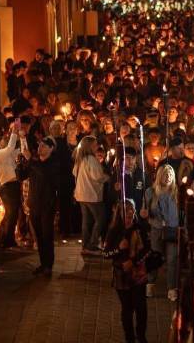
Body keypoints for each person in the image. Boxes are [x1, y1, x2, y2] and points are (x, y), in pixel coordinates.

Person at [107, 199, 150, 343]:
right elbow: (106, 254)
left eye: (131, 216)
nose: (128, 219)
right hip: (122, 277)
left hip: (138, 274)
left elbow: (147, 250)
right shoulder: (114, 231)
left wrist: (134, 261)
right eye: (126, 216)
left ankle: (141, 336)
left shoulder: (140, 228)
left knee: (141, 308)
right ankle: (129, 338)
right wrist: (119, 248)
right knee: (127, 309)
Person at [19, 136, 61, 276]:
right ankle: (43, 264)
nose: (40, 148)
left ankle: (48, 265)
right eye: (40, 145)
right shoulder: (35, 163)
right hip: (34, 203)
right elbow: (21, 176)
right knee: (38, 235)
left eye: (43, 146)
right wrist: (22, 163)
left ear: (51, 149)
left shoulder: (53, 163)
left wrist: (30, 160)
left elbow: (43, 173)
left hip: (47, 205)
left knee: (47, 235)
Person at [141, 164, 180, 301]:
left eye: (170, 174)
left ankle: (171, 288)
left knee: (172, 259)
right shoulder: (150, 192)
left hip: (172, 230)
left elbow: (183, 213)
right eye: (165, 174)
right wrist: (144, 214)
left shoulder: (177, 193)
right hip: (157, 229)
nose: (168, 177)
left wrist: (184, 228)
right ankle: (150, 284)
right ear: (159, 176)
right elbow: (144, 210)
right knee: (155, 258)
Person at [73, 135, 110, 254]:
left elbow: (74, 173)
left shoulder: (80, 159)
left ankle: (85, 245)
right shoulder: (91, 159)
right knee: (101, 218)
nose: (97, 146)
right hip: (91, 195)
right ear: (89, 146)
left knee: (86, 220)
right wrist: (107, 177)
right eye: (95, 145)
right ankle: (92, 244)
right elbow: (98, 176)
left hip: (81, 194)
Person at [0, 127, 21, 248]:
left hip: (14, 185)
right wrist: (14, 133)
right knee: (11, 214)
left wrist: (21, 137)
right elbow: (10, 148)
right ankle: (6, 239)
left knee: (13, 214)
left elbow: (18, 151)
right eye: (1, 139)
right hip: (7, 187)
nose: (4, 139)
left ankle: (8, 238)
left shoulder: (8, 154)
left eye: (5, 138)